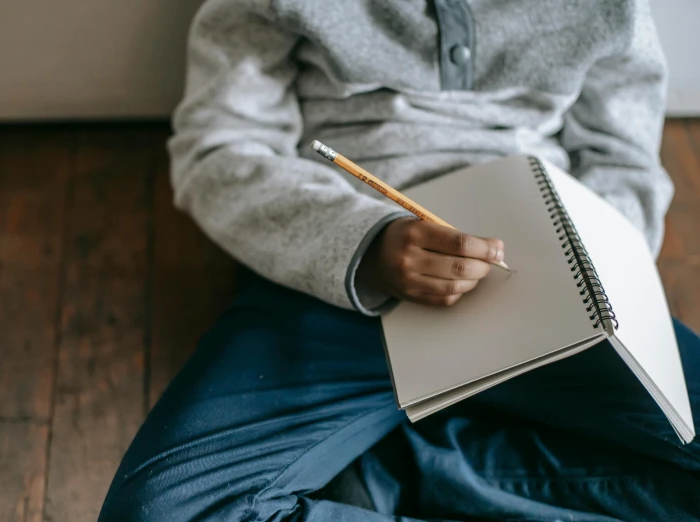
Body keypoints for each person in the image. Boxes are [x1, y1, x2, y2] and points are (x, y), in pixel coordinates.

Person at [98, 0, 700, 520]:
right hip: (334, 279)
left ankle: (400, 474)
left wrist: (598, 267)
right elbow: (219, 149)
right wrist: (364, 244)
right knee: (160, 510)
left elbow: (623, 157)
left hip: (552, 285)